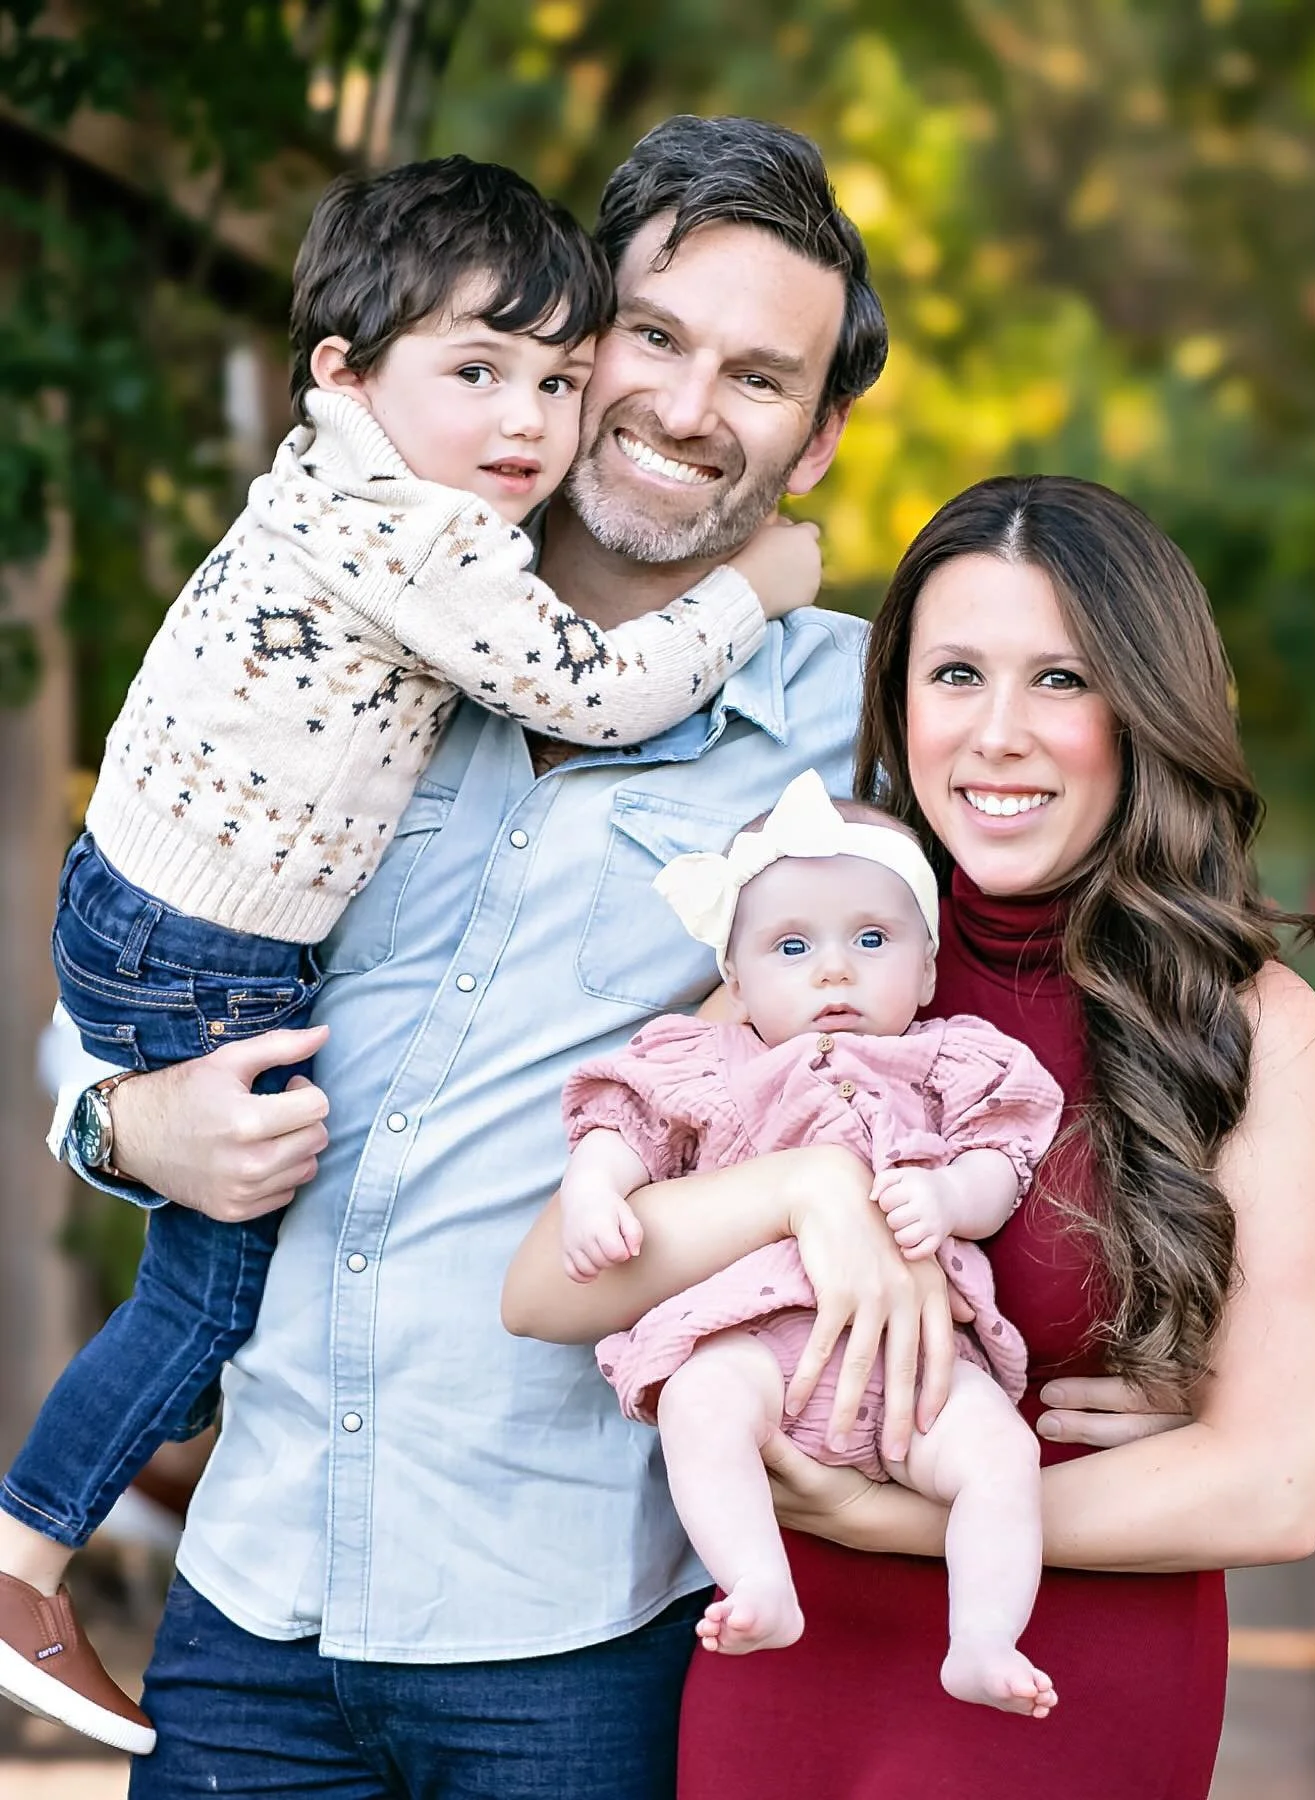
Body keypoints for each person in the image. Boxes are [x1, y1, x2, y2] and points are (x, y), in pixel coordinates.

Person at [33, 113, 930, 1799]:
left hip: (576, 1630)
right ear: (570, 342)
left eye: (758, 377)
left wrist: (1129, 1360)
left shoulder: (864, 721)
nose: (686, 405)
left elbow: (1058, 989)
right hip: (253, 1600)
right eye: (652, 338)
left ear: (816, 442)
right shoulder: (332, 619)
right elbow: (126, 988)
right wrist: (126, 1129)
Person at [504, 473, 1315, 1798]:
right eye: (956, 674)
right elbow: (549, 1289)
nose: (998, 735)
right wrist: (807, 1190)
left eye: (1061, 680)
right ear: (899, 701)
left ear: (1145, 708)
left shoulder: (1244, 1023)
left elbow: (1272, 1490)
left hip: (1056, 1670)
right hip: (786, 1653)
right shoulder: (836, 964)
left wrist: (889, 1519)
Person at [556, 768, 1065, 1715]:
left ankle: (983, 1637)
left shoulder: (949, 1057)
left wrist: (949, 1195)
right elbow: (625, 1126)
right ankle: (758, 1579)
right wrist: (593, 1193)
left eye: (871, 940)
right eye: (792, 947)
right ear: (736, 980)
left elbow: (1004, 1157)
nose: (835, 970)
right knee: (699, 1403)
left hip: (917, 1367)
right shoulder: (712, 1061)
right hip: (756, 1342)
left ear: (926, 970)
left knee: (1001, 1455)